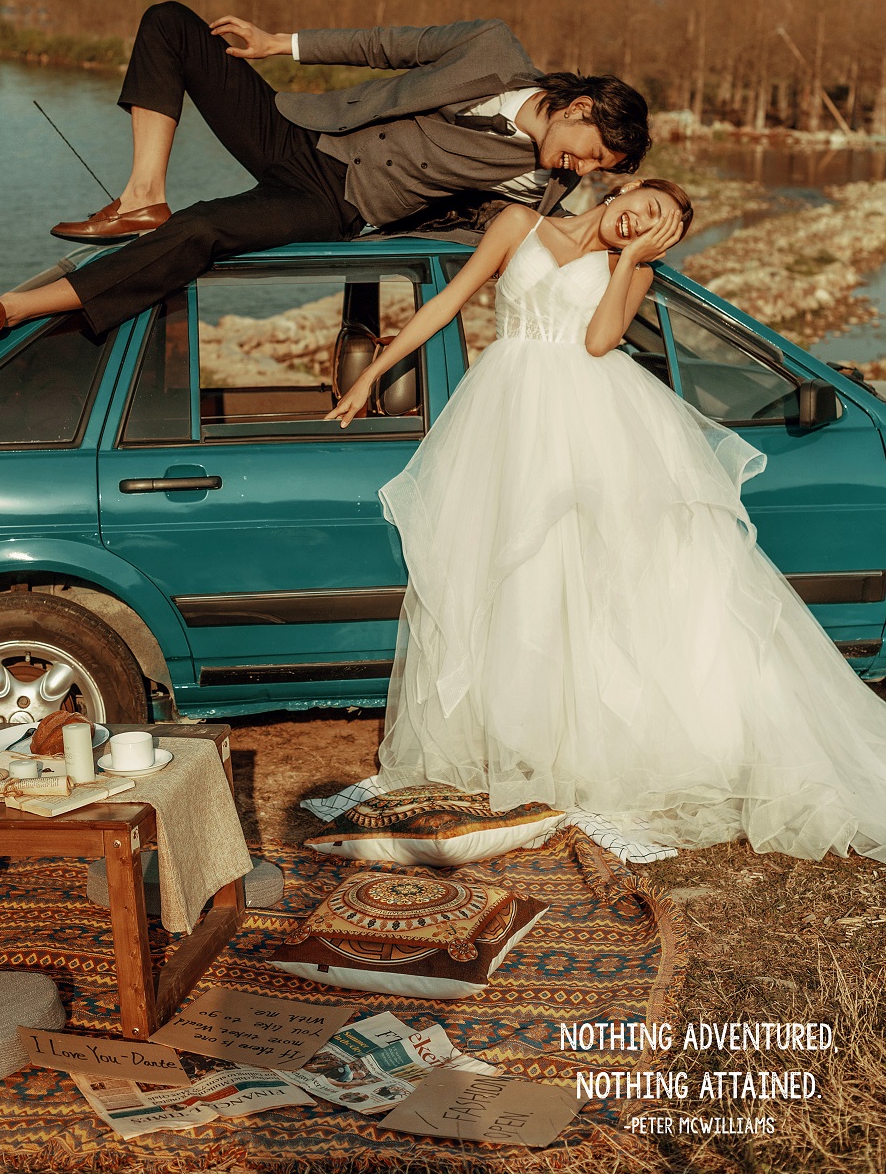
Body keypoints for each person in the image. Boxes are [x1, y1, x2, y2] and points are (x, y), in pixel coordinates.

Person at [328, 179, 886, 863]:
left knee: (593, 582)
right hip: (507, 416)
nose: (641, 223)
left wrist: (629, 261)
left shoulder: (635, 270)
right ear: (627, 187)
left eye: (659, 229)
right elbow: (447, 303)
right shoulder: (519, 224)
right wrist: (373, 373)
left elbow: (598, 342)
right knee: (512, 571)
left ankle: (578, 744)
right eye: (647, 207)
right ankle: (525, 731)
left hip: (589, 427)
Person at [0, 2, 651, 346]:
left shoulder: (541, 187)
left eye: (601, 169)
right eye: (592, 151)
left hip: (332, 199)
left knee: (205, 227)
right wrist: (278, 43)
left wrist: (641, 237)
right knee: (171, 23)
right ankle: (142, 195)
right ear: (579, 107)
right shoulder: (492, 47)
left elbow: (564, 241)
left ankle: (14, 307)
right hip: (303, 127)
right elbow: (388, 44)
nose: (585, 169)